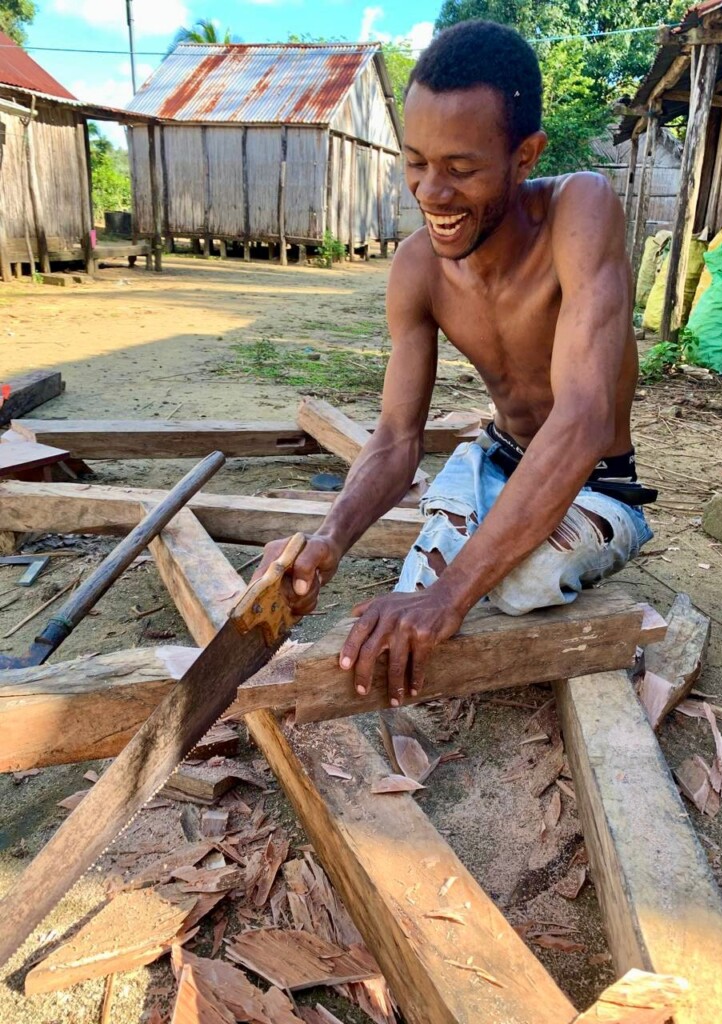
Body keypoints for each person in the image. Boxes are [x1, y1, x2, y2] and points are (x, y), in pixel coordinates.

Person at [256, 20, 654, 704]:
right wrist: (331, 537)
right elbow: (396, 438)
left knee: (510, 586)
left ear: (525, 156)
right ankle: (474, 508)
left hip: (597, 483)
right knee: (412, 593)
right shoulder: (417, 268)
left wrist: (451, 595)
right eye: (416, 162)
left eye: (462, 169)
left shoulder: (579, 211)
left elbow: (585, 419)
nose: (432, 193)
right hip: (495, 459)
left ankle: (484, 535)